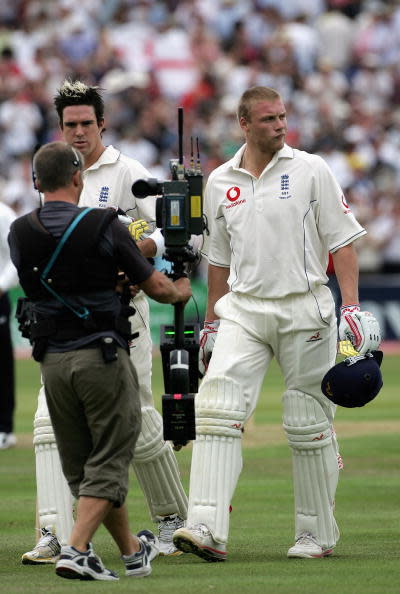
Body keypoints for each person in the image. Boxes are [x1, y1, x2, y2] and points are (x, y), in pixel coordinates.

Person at [173, 86, 381, 561]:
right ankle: (205, 526)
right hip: (243, 310)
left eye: (283, 117)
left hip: (305, 308)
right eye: (269, 119)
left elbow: (343, 241)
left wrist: (350, 306)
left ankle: (315, 535)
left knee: (307, 420)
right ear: (244, 124)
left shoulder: (311, 169)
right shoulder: (220, 179)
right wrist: (210, 323)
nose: (280, 125)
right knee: (217, 406)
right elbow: (219, 260)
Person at [21, 80, 188, 564]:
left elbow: (170, 223)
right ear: (60, 127)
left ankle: (173, 519)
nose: (78, 132)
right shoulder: (50, 171)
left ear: (102, 124)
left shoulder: (126, 170)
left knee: (138, 421)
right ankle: (54, 532)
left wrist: (146, 250)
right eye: (70, 124)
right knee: (48, 423)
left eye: (85, 124)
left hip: (123, 317)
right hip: (65, 324)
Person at [0, 201, 19, 449]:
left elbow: (16, 256)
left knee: (1, 362)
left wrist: (2, 286)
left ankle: (5, 428)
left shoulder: (4, 214)